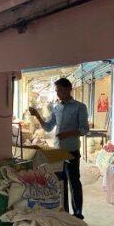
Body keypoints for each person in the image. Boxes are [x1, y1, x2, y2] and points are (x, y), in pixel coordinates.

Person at [29, 77, 90, 218]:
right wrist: (37, 115)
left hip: (72, 150)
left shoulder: (79, 107)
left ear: (69, 89)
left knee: (74, 182)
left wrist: (67, 134)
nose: (58, 93)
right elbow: (49, 127)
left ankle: (78, 214)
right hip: (58, 152)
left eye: (61, 90)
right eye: (57, 91)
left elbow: (84, 129)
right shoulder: (57, 107)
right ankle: (64, 213)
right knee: (59, 183)